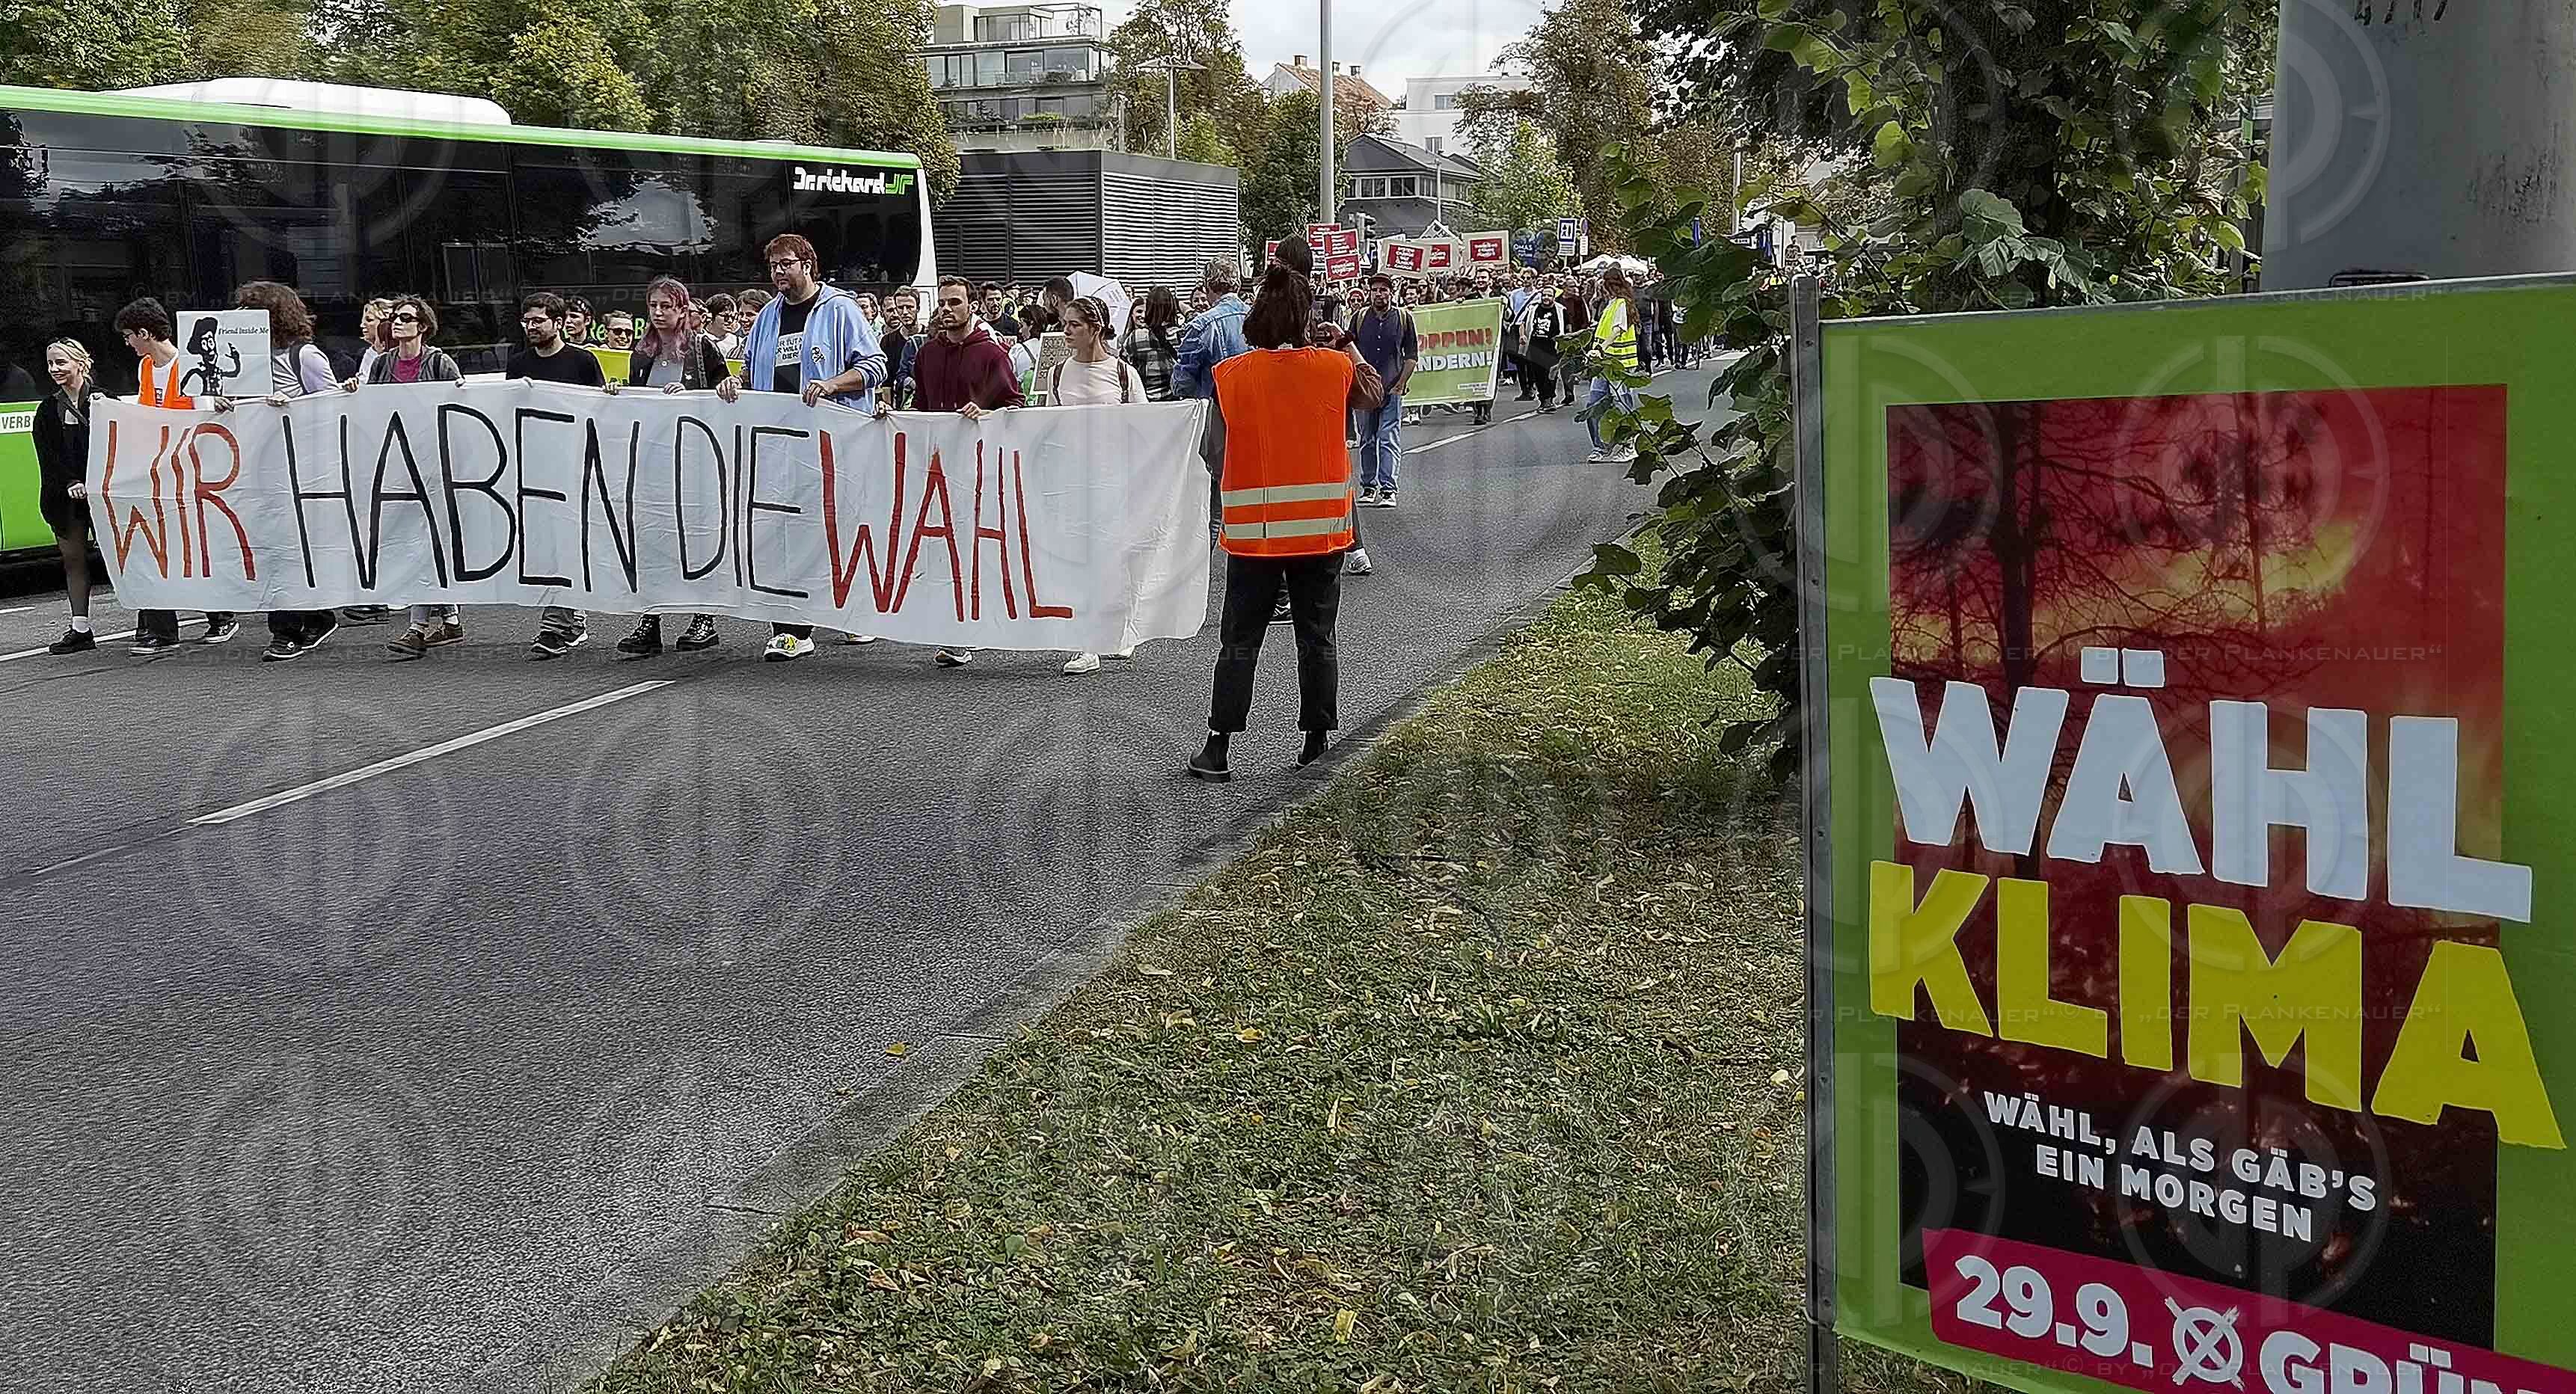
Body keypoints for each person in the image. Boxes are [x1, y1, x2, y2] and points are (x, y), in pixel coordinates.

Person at [1186, 262, 1383, 782]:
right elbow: (1375, 394)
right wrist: (1346, 343)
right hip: (1321, 532)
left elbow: (1214, 454)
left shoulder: (1230, 377)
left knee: (1239, 641)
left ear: (1256, 316)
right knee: (1317, 638)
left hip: (1254, 535)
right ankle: (1316, 742)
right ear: (1305, 317)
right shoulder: (1334, 368)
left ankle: (1218, 747)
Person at [717, 233, 886, 663]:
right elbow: (751, 370)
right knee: (785, 530)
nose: (778, 273)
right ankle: (792, 627)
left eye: (786, 264)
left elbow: (875, 366)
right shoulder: (767, 317)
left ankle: (853, 609)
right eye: (773, 266)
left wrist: (832, 384)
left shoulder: (841, 309)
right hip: (780, 443)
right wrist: (735, 382)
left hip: (833, 442)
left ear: (808, 265)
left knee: (838, 528)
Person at [892, 274, 1022, 667]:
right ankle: (956, 628)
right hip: (936, 468)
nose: (947, 309)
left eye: (955, 302)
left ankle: (972, 626)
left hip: (979, 468)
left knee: (976, 547)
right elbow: (921, 408)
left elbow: (1016, 407)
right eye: (943, 303)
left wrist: (986, 414)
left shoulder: (992, 355)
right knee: (942, 549)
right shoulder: (927, 354)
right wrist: (893, 419)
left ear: (973, 307)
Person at [603, 278, 729, 657]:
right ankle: (651, 618)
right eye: (653, 306)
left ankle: (704, 616)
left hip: (694, 458)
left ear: (682, 309)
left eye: (666, 306)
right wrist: (619, 394)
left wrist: (693, 397)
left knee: (697, 537)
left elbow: (728, 397)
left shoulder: (702, 349)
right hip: (652, 459)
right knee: (651, 538)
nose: (658, 313)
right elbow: (637, 403)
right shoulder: (642, 354)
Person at [219, 281, 342, 661]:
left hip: (298, 468)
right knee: (273, 548)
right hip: (257, 465)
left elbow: (334, 406)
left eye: (249, 311)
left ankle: (287, 628)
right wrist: (224, 403)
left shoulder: (304, 357)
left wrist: (292, 406)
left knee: (286, 547)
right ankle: (316, 616)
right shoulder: (240, 361)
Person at [341, 295, 467, 659]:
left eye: (406, 318)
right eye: (395, 317)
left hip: (434, 465)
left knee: (423, 543)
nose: (397, 322)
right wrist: (354, 393)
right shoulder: (383, 364)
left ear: (422, 326)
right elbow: (372, 410)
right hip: (398, 464)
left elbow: (462, 410)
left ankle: (417, 628)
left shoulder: (440, 363)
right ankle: (451, 620)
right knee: (418, 543)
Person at [117, 297, 238, 654]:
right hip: (158, 468)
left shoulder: (188, 364)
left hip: (191, 469)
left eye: (129, 336)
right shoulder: (146, 368)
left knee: (195, 543)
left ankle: (220, 614)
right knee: (158, 546)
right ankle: (161, 628)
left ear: (144, 333)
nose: (128, 343)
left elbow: (204, 411)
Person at [494, 290, 610, 657]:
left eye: (538, 321)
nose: (531, 327)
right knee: (547, 546)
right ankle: (573, 620)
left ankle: (556, 625)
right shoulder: (518, 363)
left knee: (567, 541)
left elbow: (600, 410)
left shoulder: (582, 361)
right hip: (535, 467)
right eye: (526, 321)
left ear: (558, 323)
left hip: (573, 464)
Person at [1045, 293, 1149, 675]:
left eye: (1074, 325)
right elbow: (1050, 426)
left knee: (1115, 556)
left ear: (1095, 329)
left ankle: (1122, 627)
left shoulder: (1123, 374)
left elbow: (1144, 427)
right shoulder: (1057, 373)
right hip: (1073, 480)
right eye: (1065, 324)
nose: (1066, 331)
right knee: (1079, 558)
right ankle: (1086, 643)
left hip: (1114, 478)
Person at [32, 339, 104, 654]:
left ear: (80, 363)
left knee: (122, 559)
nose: (54, 369)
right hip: (65, 497)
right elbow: (47, 455)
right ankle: (80, 629)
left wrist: (94, 481)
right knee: (74, 559)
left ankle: (151, 622)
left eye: (61, 362)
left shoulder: (103, 400)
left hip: (103, 492)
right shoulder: (48, 409)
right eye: (50, 364)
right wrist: (71, 481)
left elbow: (118, 445)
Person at [1174, 258, 1252, 546]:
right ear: (1237, 283)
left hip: (1216, 413)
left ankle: (1204, 564)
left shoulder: (1202, 324)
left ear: (1208, 286)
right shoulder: (1257, 318)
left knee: (1214, 499)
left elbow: (1182, 380)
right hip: (1255, 415)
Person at [1349, 274, 1417, 509]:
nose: (1379, 294)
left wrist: (1401, 384)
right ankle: (1369, 487)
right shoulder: (1359, 318)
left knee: (1388, 438)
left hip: (1392, 387)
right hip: (1366, 391)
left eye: (1383, 290)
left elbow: (1411, 355)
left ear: (1391, 292)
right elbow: (1348, 349)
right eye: (1375, 290)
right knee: (1367, 439)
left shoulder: (1403, 318)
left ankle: (1388, 489)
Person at [1582, 267, 1643, 464]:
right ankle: (1600, 447)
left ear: (1609, 285)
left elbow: (1618, 330)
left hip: (1619, 364)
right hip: (1604, 363)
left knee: (1621, 404)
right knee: (1594, 404)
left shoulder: (1622, 304)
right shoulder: (1611, 304)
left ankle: (1629, 445)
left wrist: (1600, 349)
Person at [1118, 286, 1183, 401]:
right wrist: (1182, 306)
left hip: (1147, 402)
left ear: (1149, 309)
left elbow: (1123, 366)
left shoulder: (1136, 337)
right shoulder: (1180, 336)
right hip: (1177, 401)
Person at [1518, 282, 1568, 413]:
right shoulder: (1533, 308)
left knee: (1551, 374)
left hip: (1553, 347)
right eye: (1544, 295)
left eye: (1549, 295)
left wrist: (1567, 344)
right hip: (1535, 346)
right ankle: (1543, 399)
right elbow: (1522, 323)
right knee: (1538, 375)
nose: (1546, 298)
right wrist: (1522, 336)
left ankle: (1549, 400)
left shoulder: (1561, 310)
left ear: (1554, 297)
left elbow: (1568, 328)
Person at [705, 292, 742, 358]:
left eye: (733, 317)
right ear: (711, 315)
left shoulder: (739, 343)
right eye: (726, 316)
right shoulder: (699, 339)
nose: (730, 321)